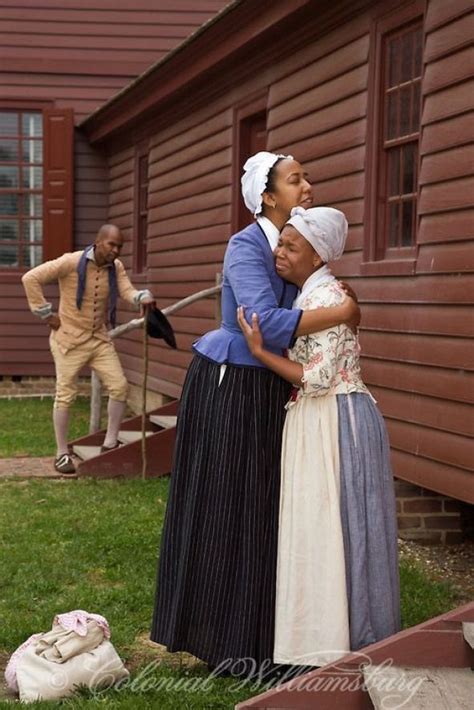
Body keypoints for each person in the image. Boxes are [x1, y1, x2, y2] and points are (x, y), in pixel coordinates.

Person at [150, 151, 361, 675]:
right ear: (267, 196)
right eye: (295, 180)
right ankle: (221, 640)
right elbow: (261, 322)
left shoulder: (297, 248)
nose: (307, 186)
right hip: (233, 385)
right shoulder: (245, 245)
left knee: (266, 508)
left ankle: (265, 636)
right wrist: (343, 313)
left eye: (306, 177)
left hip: (271, 386)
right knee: (228, 503)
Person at [237, 206, 400, 668]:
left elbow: (317, 376)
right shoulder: (312, 295)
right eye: (281, 242)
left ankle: (343, 639)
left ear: (317, 255)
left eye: (291, 246)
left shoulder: (323, 297)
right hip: (320, 416)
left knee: (336, 527)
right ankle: (318, 638)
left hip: (334, 418)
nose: (279, 252)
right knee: (321, 527)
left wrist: (258, 351)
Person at [22, 224, 155, 475]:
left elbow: (126, 289)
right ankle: (62, 454)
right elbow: (30, 278)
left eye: (119, 246)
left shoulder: (115, 267)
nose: (116, 250)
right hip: (69, 340)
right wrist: (44, 313)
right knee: (65, 395)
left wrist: (141, 297)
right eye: (111, 245)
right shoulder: (70, 262)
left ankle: (110, 442)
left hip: (98, 339)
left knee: (120, 386)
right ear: (98, 242)